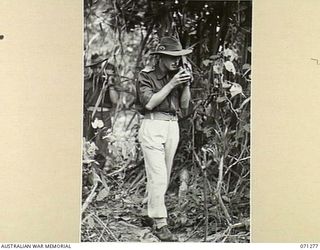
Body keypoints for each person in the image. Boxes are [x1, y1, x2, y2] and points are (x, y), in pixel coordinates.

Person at [137, 36, 192, 241]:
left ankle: (147, 211)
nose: (175, 61)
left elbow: (185, 107)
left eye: (178, 57)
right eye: (171, 57)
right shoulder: (147, 75)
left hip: (172, 125)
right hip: (152, 124)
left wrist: (185, 84)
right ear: (160, 57)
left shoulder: (177, 75)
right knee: (158, 176)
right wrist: (172, 83)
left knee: (164, 176)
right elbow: (149, 103)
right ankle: (160, 222)